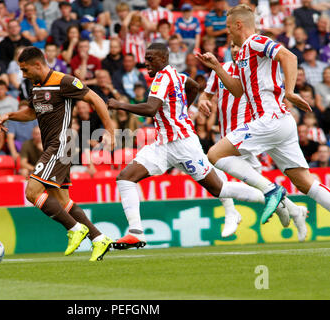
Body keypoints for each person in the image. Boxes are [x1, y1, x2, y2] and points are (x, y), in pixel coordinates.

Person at [106, 43, 283, 249]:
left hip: (183, 145)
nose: (146, 63)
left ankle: (271, 196)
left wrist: (120, 104)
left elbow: (151, 109)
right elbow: (193, 86)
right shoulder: (176, 75)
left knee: (220, 189)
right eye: (145, 59)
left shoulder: (163, 77)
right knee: (125, 178)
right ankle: (135, 232)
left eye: (151, 58)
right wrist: (182, 111)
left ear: (164, 59)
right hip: (163, 145)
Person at [195, 4, 330, 229]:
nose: (227, 33)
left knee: (215, 154)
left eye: (229, 28)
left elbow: (289, 56)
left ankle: (271, 190)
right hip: (279, 124)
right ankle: (273, 191)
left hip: (270, 119)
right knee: (305, 182)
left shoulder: (255, 41)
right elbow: (239, 91)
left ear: (239, 25)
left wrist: (289, 91)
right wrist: (218, 67)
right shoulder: (245, 54)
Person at [0, 46, 115, 261]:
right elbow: (32, 112)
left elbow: (96, 99)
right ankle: (99, 239)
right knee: (62, 201)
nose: (23, 74)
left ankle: (74, 229)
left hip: (61, 144)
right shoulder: (36, 84)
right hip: (54, 145)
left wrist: (110, 131)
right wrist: (10, 115)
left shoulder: (64, 81)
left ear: (38, 65)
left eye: (24, 70)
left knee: (32, 192)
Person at [198, 40, 307, 239]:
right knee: (258, 183)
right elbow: (206, 94)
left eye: (238, 46)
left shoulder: (253, 69)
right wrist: (203, 101)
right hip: (228, 135)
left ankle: (232, 213)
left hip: (248, 134)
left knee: (215, 167)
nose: (235, 50)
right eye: (232, 47)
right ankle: (293, 209)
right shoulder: (220, 70)